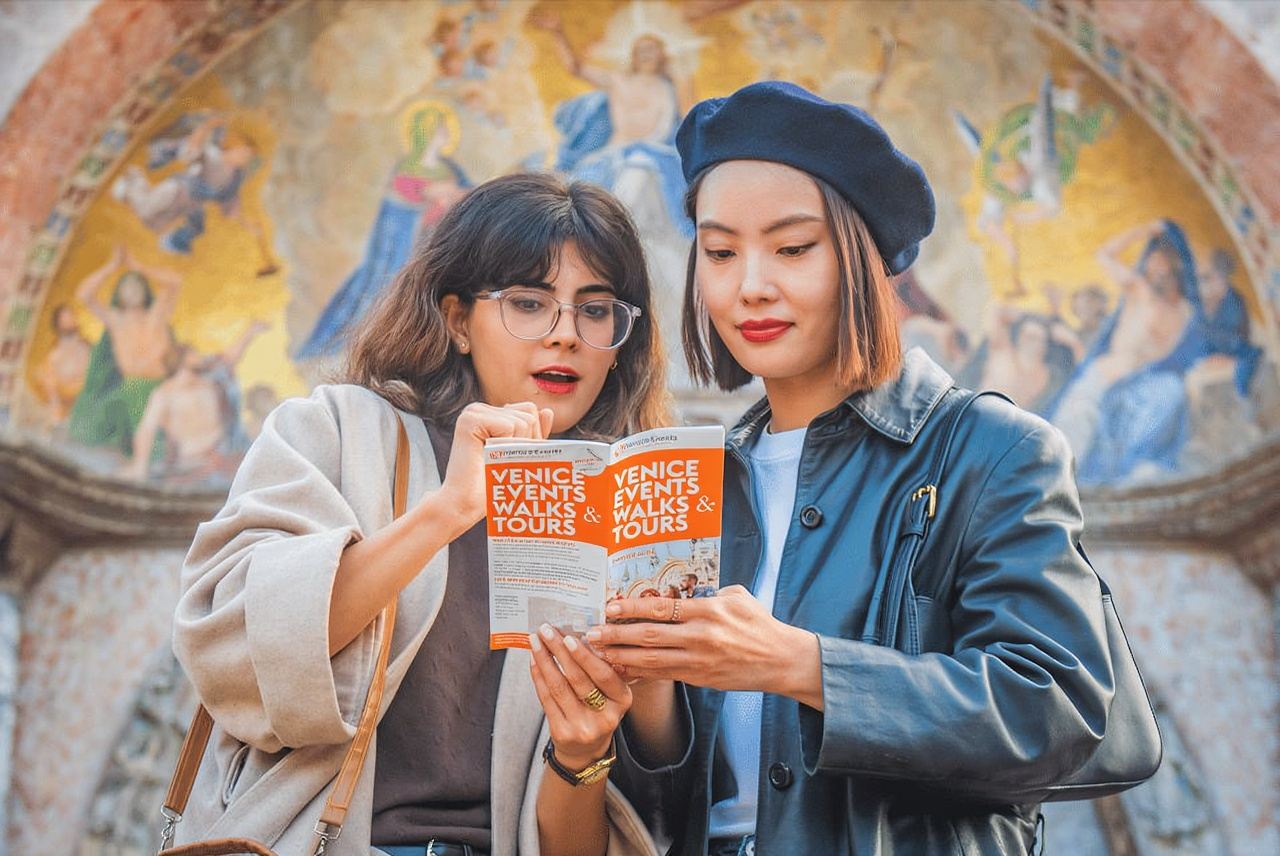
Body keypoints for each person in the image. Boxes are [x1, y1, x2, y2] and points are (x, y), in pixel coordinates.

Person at [589, 82, 1114, 855]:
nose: (750, 285)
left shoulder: (993, 450)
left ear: (864, 261)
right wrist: (643, 695)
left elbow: (1061, 713)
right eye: (721, 250)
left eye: (793, 248)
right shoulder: (693, 481)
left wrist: (801, 666)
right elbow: (675, 794)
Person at [173, 173, 682, 856]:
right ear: (456, 319)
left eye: (596, 311)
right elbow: (235, 651)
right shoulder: (335, 429)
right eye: (529, 303)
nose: (566, 336)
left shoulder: (626, 505)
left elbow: (607, 826)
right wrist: (447, 511)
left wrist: (588, 745)